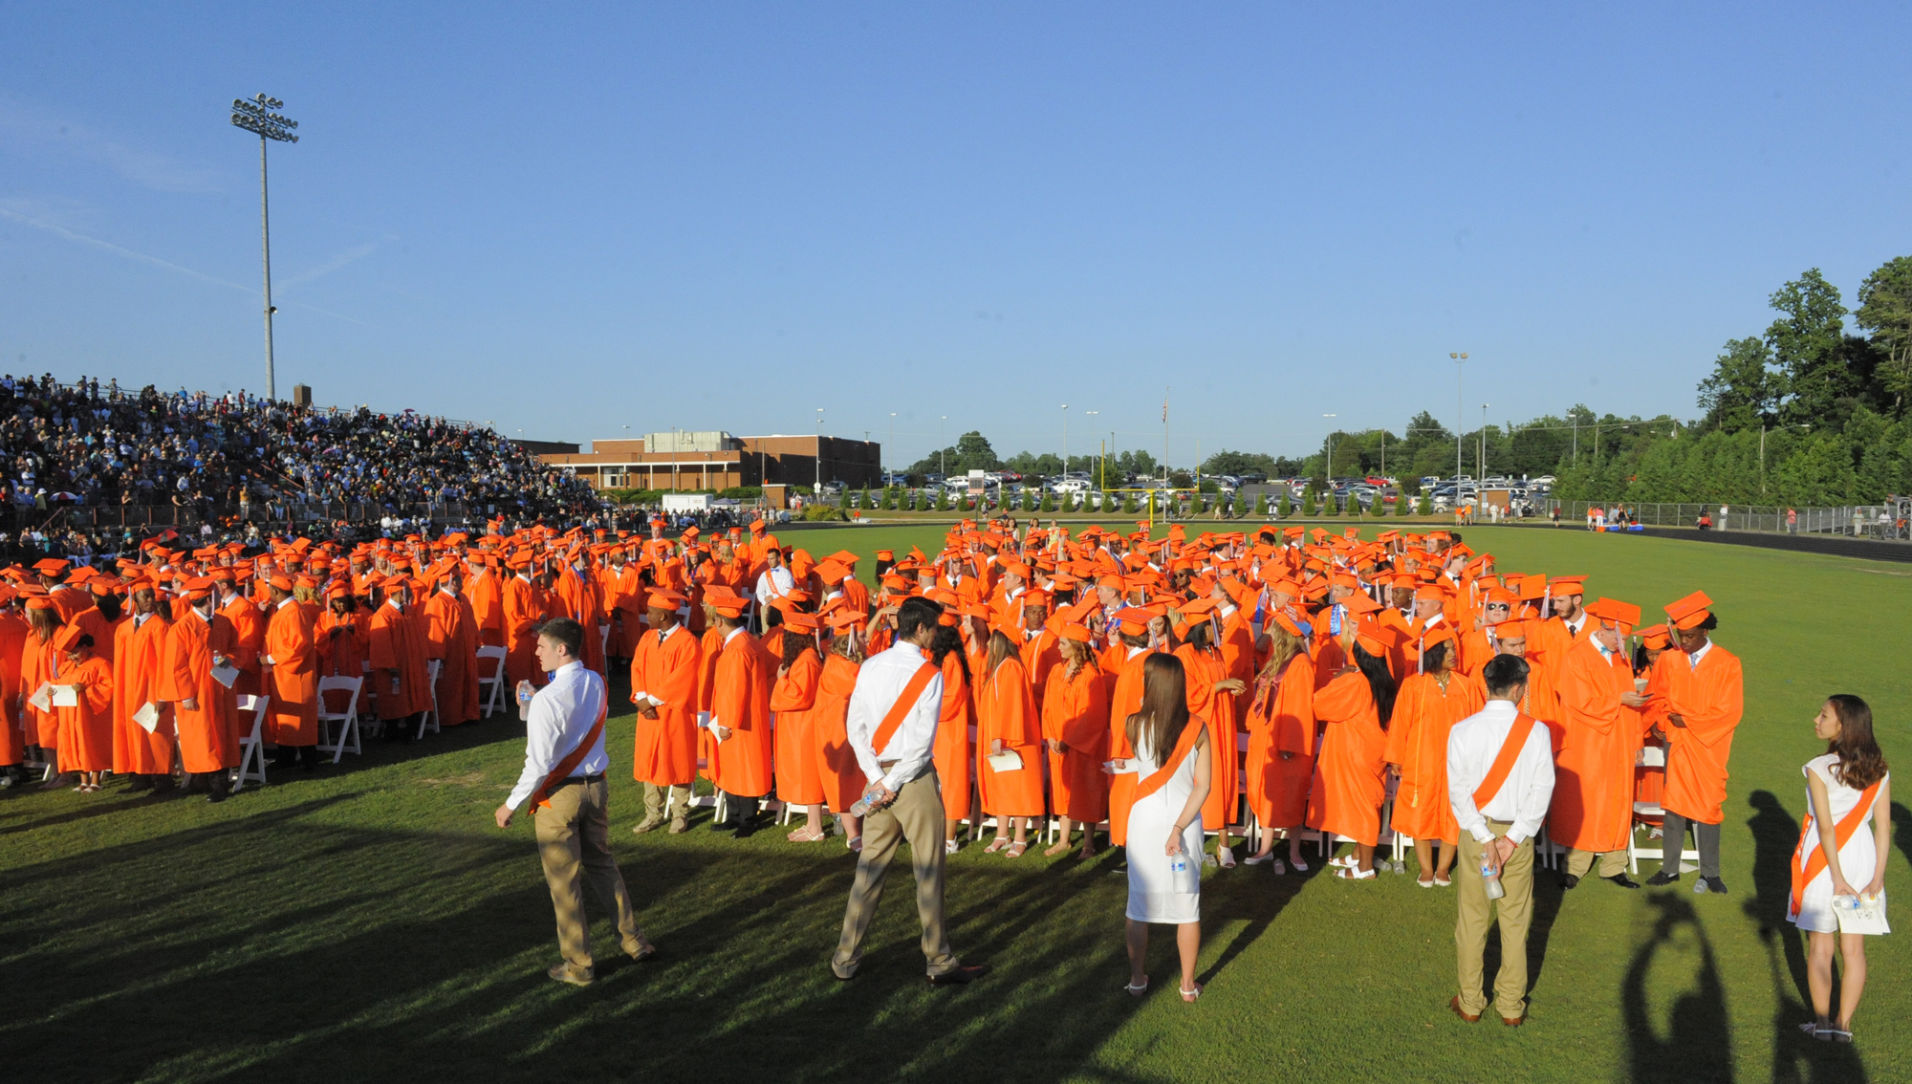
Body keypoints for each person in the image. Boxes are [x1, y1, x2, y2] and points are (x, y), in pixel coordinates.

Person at [831, 596, 986, 985]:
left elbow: (856, 729)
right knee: (929, 872)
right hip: (912, 780)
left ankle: (845, 958)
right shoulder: (930, 674)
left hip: (878, 777)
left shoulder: (870, 665)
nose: (936, 635)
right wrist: (893, 782)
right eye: (933, 628)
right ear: (920, 630)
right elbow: (920, 744)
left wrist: (876, 780)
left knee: (868, 872)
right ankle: (938, 960)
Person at [494, 618, 655, 986]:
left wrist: (510, 805)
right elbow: (572, 720)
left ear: (561, 649)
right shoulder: (596, 681)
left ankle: (579, 965)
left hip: (560, 797)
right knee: (603, 867)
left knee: (564, 884)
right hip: (596, 787)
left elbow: (538, 762)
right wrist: (532, 703)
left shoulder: (548, 700)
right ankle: (634, 941)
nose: (536, 652)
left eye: (542, 646)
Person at [1446, 654, 1555, 1027]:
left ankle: (1471, 1001)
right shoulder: (1537, 731)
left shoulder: (1461, 730)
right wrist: (1512, 839)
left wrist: (1483, 836)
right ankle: (1511, 1005)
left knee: (1473, 920)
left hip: (1477, 835)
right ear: (1519, 688)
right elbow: (1542, 790)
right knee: (1514, 921)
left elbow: (1458, 793)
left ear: (1486, 684)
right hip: (1517, 838)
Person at [1789, 694, 1890, 1043]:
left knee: (1820, 947)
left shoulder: (1820, 767)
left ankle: (1821, 1024)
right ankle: (1843, 1025)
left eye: (1823, 715)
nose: (1816, 720)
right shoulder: (1880, 769)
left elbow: (1827, 826)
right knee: (1854, 948)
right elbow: (1883, 827)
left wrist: (1835, 877)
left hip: (1824, 859)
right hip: (1863, 855)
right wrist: (1877, 876)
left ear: (1843, 726)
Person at [1114, 653, 1212, 1002]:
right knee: (1187, 905)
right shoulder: (1198, 727)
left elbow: (1138, 759)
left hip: (1144, 820)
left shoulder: (1133, 723)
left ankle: (1137, 979)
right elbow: (1203, 786)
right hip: (1183, 823)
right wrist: (1179, 827)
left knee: (1138, 905)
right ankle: (1187, 985)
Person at [1645, 591, 1743, 894]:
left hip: (1709, 746)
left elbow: (1730, 711)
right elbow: (1655, 696)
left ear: (1705, 631)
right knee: (1673, 805)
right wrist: (1661, 722)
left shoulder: (1727, 663)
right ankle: (1669, 869)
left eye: (1689, 636)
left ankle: (1711, 872)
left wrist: (1688, 720)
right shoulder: (1670, 660)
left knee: (1709, 805)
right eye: (1680, 636)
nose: (1683, 642)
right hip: (1676, 742)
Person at [1551, 597, 1650, 889]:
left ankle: (1614, 865)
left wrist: (1636, 742)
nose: (1623, 645)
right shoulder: (1576, 656)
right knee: (1589, 800)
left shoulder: (1620, 657)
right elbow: (1579, 701)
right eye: (1620, 638)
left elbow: (1631, 703)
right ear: (1605, 630)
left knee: (1618, 799)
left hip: (1618, 739)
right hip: (1588, 741)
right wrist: (1618, 699)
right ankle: (1576, 866)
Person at [629, 588, 700, 835]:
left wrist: (651, 701)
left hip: (674, 713)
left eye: (650, 611)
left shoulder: (687, 641)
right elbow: (637, 668)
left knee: (678, 761)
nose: (646, 615)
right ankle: (653, 814)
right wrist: (641, 698)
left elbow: (683, 678)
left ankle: (680, 814)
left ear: (664, 615)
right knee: (650, 761)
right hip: (648, 714)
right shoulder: (648, 638)